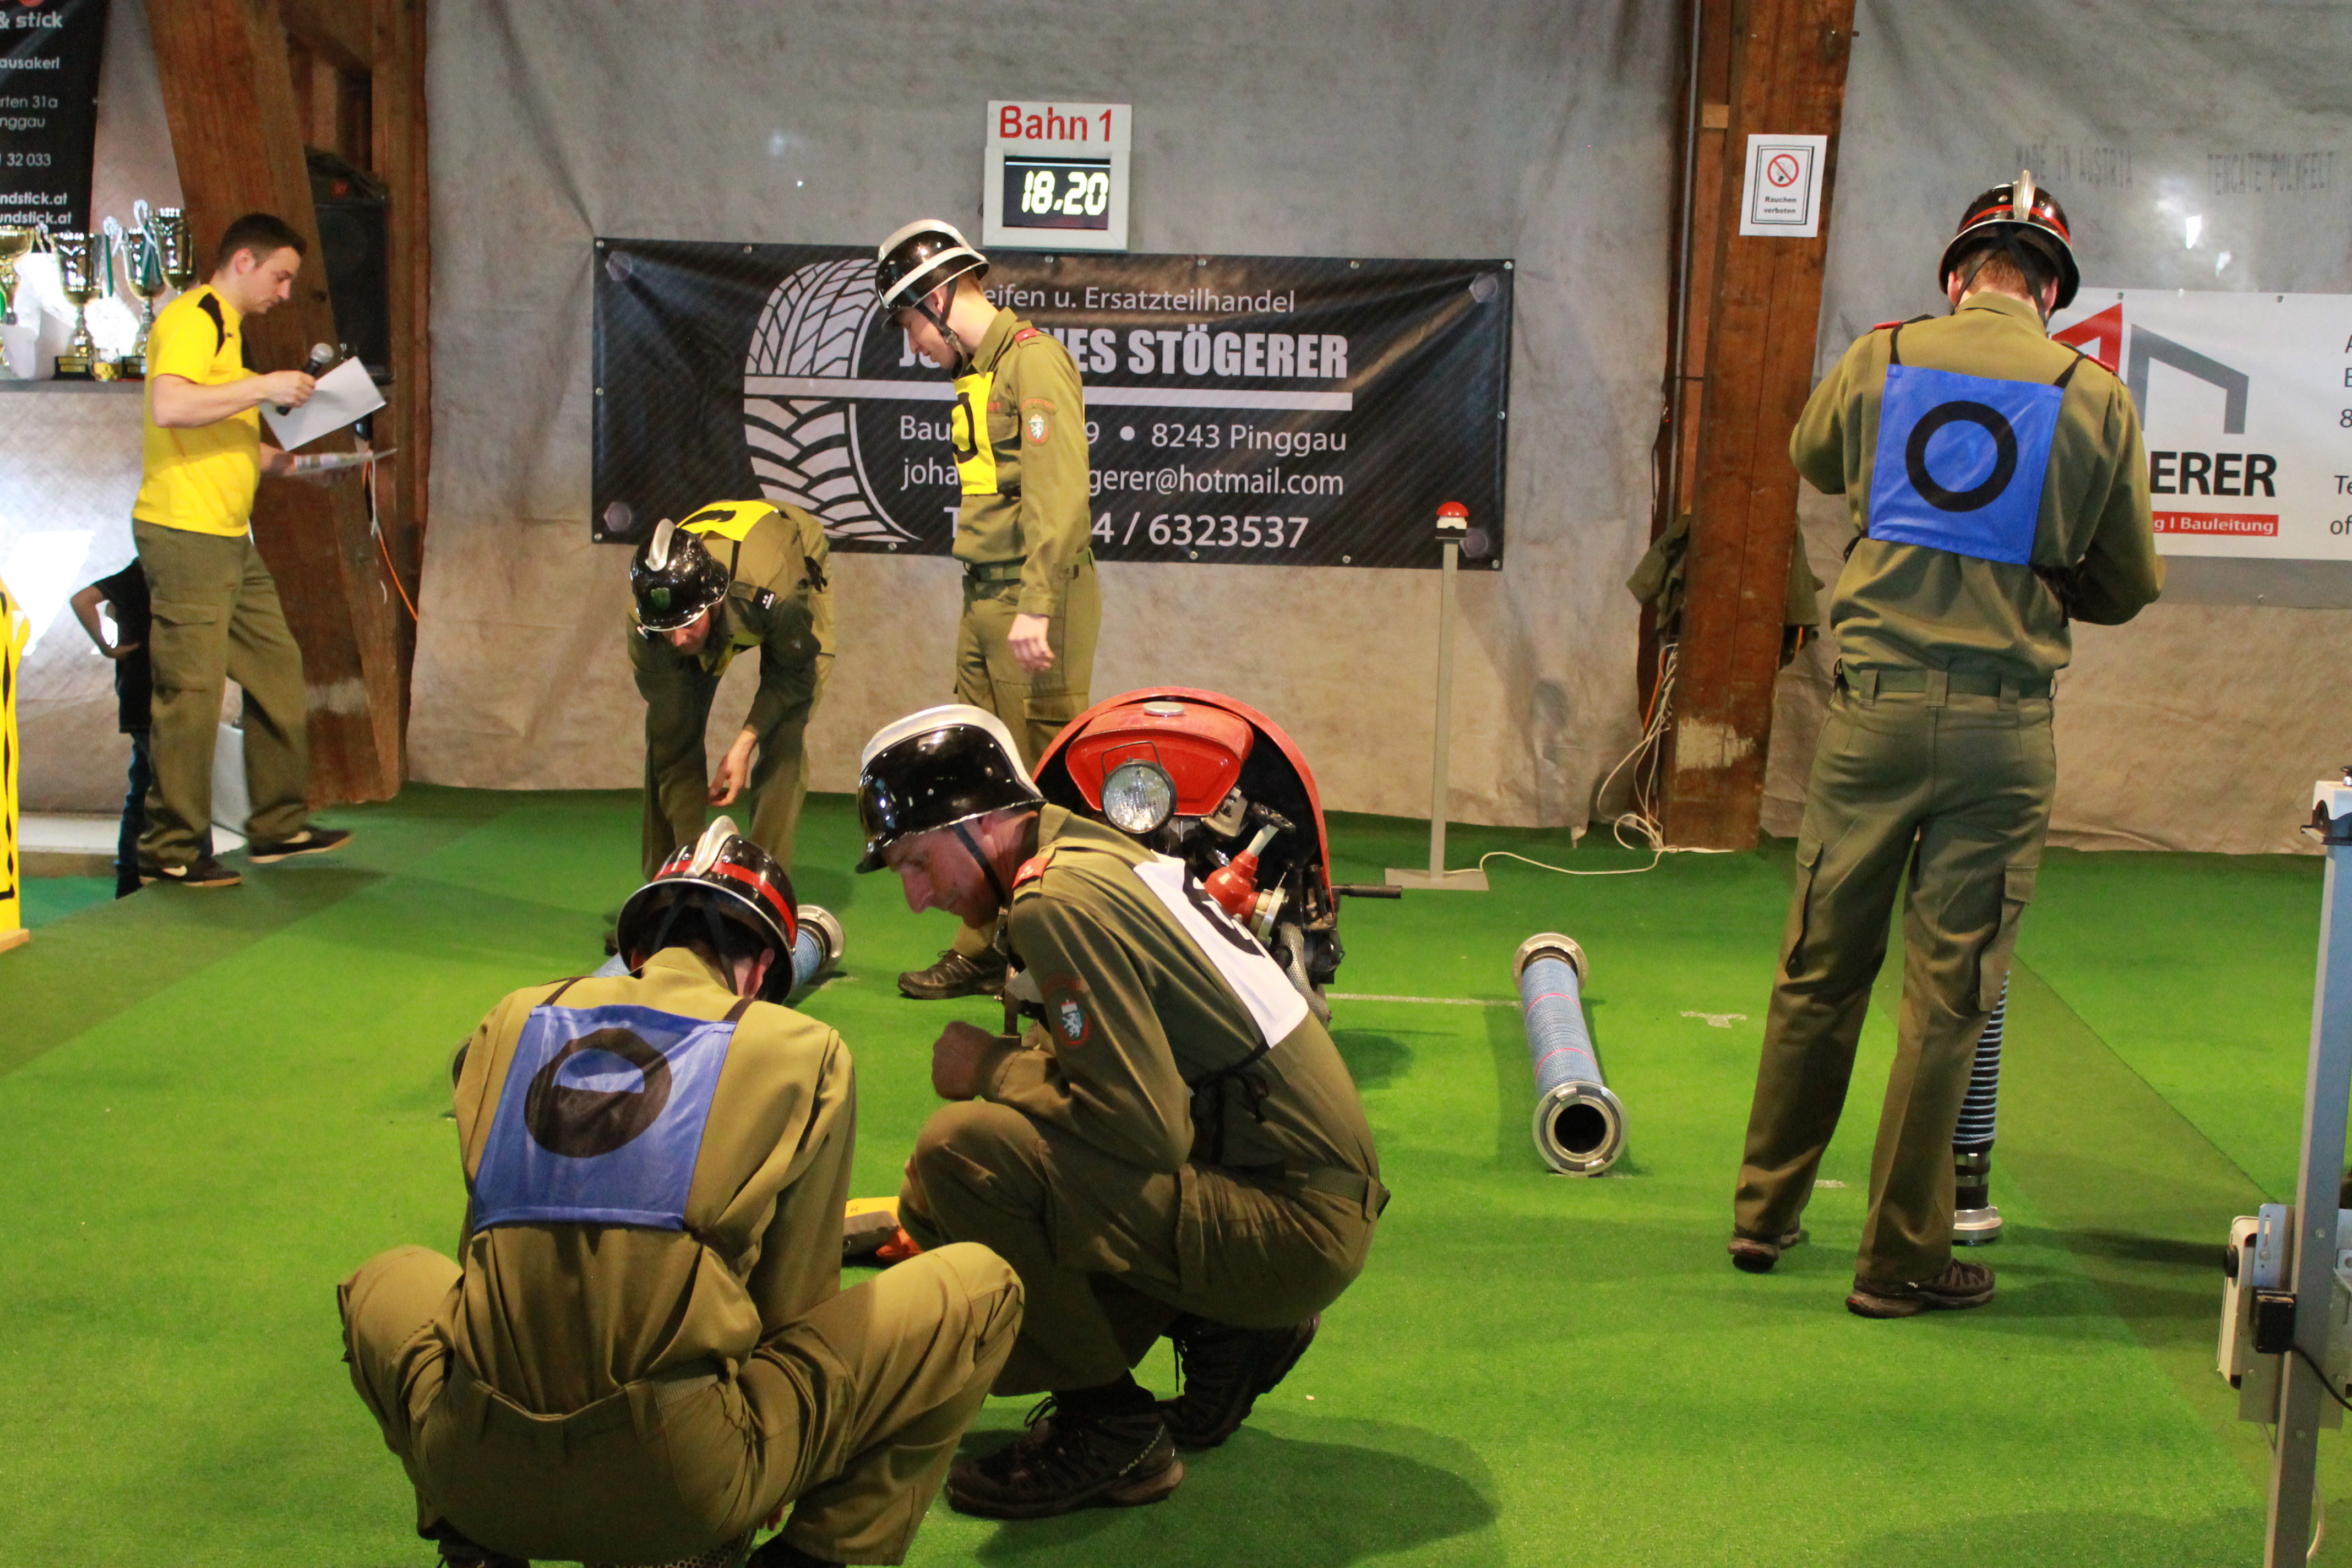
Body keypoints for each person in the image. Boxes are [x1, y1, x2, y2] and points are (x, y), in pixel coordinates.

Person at [338, 820, 1022, 1568]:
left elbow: (482, 1252)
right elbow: (793, 1308)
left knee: (384, 1280)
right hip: (680, 1485)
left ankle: (475, 1548)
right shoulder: (803, 1049)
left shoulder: (512, 1017)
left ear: (637, 951)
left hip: (475, 1471)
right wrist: (758, 1466)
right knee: (982, 1288)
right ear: (763, 969)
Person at [1728, 174, 2162, 1317]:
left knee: (1819, 966)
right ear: (2051, 292)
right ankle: (1899, 1259)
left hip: (1871, 715)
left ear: (1959, 274)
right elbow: (2127, 584)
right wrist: (2045, 574)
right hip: (2001, 732)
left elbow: (1815, 456)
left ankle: (1764, 1213)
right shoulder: (2094, 395)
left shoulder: (1882, 355)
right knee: (1947, 996)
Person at [854, 705, 1386, 1518]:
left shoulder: (1054, 903)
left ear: (983, 823)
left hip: (1295, 1225)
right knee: (952, 1180)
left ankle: (1110, 1429)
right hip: (1303, 1190)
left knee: (960, 1155)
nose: (918, 897)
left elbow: (1145, 1125)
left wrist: (989, 1066)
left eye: (917, 863)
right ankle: (1228, 1329)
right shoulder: (1092, 851)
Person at [873, 220, 1099, 1000]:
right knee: (979, 779)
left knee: (1040, 780)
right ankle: (983, 944)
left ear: (938, 299)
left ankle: (1055, 949)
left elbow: (1059, 496)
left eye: (910, 324)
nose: (913, 345)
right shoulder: (982, 372)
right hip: (987, 595)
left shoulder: (1032, 362)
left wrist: (1036, 606)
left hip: (1032, 598)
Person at [133, 210, 347, 889]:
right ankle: (169, 848)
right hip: (186, 534)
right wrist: (264, 385)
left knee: (278, 667)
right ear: (244, 261)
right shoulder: (194, 317)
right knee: (192, 692)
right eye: (280, 277)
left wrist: (304, 466)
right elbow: (170, 407)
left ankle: (278, 826)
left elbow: (220, 434)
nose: (285, 293)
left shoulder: (225, 332)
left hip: (229, 536)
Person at [627, 499, 834, 880]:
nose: (677, 640)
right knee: (668, 733)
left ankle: (762, 884)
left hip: (781, 555)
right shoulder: (648, 621)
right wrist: (695, 865)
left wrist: (744, 742)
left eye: (688, 623)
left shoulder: (776, 591)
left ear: (713, 601)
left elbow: (792, 680)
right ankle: (672, 878)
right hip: (732, 571)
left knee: (786, 729)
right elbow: (674, 738)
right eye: (666, 628)